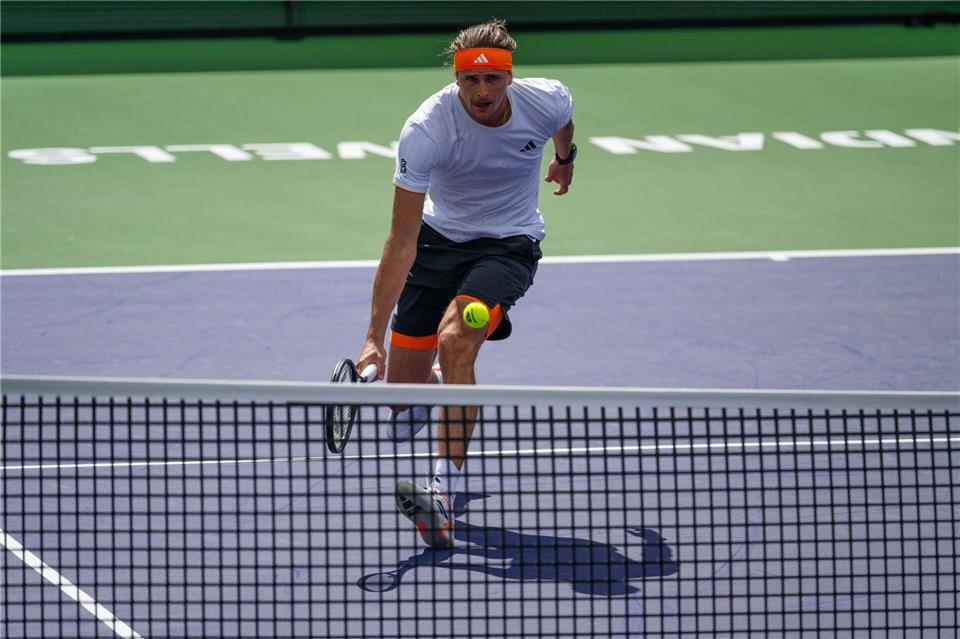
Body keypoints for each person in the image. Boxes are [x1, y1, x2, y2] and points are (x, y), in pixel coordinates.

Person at [356, 19, 576, 548]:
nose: (481, 92)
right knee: (401, 401)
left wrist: (566, 160)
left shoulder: (546, 100)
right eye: (469, 81)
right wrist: (372, 336)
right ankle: (427, 387)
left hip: (508, 244)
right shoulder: (427, 129)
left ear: (509, 77)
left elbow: (564, 124)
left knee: (457, 338)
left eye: (493, 80)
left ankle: (444, 491)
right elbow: (400, 241)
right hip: (437, 242)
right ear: (456, 79)